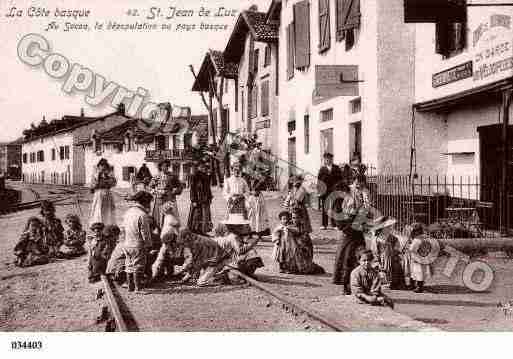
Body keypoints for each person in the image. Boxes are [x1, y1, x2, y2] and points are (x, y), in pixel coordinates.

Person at [196, 214, 261, 286]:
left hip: (215, 254)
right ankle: (206, 280)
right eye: (241, 226)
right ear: (237, 227)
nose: (243, 227)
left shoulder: (228, 234)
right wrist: (253, 243)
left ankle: (226, 275)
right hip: (217, 256)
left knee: (218, 266)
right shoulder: (233, 237)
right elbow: (240, 250)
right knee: (213, 269)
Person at [332, 178, 371, 294]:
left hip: (358, 233)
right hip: (348, 233)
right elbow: (338, 218)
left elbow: (367, 212)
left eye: (361, 184)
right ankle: (346, 286)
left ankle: (359, 286)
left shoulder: (363, 195)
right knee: (346, 259)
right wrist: (347, 227)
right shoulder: (341, 199)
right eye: (356, 183)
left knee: (359, 258)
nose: (358, 186)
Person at [122, 191, 153, 292]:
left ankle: (130, 286)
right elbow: (145, 233)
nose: (149, 205)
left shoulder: (128, 212)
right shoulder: (142, 215)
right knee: (138, 266)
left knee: (129, 265)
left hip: (127, 243)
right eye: (149, 203)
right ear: (145, 202)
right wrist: (148, 245)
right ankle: (138, 288)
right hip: (137, 244)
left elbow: (123, 228)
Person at [279, 209, 325, 275]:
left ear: (300, 218)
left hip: (303, 253)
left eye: (297, 218)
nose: (295, 220)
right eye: (293, 218)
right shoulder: (289, 226)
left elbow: (304, 244)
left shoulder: (303, 228)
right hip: (293, 252)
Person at [368, 216, 405, 290]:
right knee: (381, 269)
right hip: (381, 258)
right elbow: (374, 251)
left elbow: (397, 248)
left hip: (392, 258)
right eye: (387, 227)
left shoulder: (393, 238)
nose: (389, 229)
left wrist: (396, 252)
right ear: (381, 228)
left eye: (390, 227)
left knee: (396, 268)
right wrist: (377, 260)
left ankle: (395, 283)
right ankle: (383, 283)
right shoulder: (376, 239)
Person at [151, 201, 182, 281]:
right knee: (166, 256)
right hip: (168, 238)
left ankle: (164, 272)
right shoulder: (170, 217)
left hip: (166, 238)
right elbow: (177, 224)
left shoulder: (166, 217)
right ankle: (158, 273)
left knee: (164, 256)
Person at [149, 159, 183, 229]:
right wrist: (157, 191)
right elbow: (150, 187)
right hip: (159, 200)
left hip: (169, 199)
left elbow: (180, 186)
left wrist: (175, 191)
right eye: (163, 166)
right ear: (160, 167)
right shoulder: (156, 176)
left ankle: (170, 232)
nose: (165, 168)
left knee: (169, 216)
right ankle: (159, 230)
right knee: (159, 217)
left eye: (167, 166)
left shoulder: (172, 176)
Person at [403, 223, 433, 293]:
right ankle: (417, 285)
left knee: (418, 272)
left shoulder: (417, 240)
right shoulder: (425, 237)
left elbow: (412, 249)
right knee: (421, 271)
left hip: (418, 258)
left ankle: (419, 287)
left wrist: (408, 247)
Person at [317, 152, 343, 230]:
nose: (328, 160)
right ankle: (324, 224)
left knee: (335, 207)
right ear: (324, 160)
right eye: (326, 159)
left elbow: (340, 179)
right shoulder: (322, 169)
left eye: (330, 159)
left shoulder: (336, 168)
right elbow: (319, 181)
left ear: (332, 159)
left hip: (334, 190)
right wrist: (319, 191)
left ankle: (334, 224)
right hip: (325, 191)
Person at [187, 161, 213, 235]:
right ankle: (195, 231)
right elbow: (192, 189)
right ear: (198, 168)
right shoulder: (195, 176)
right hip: (197, 200)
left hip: (205, 200)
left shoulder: (206, 176)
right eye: (201, 167)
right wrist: (193, 200)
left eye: (204, 167)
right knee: (196, 216)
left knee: (205, 216)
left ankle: (204, 231)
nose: (203, 168)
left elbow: (208, 188)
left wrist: (210, 197)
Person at [89, 158, 117, 227]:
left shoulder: (110, 175)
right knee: (98, 211)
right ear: (98, 167)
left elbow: (113, 183)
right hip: (99, 195)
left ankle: (108, 225)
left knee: (108, 211)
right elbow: (92, 187)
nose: (102, 169)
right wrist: (97, 181)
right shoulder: (95, 175)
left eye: (104, 167)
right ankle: (97, 225)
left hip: (107, 194)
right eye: (101, 167)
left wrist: (107, 177)